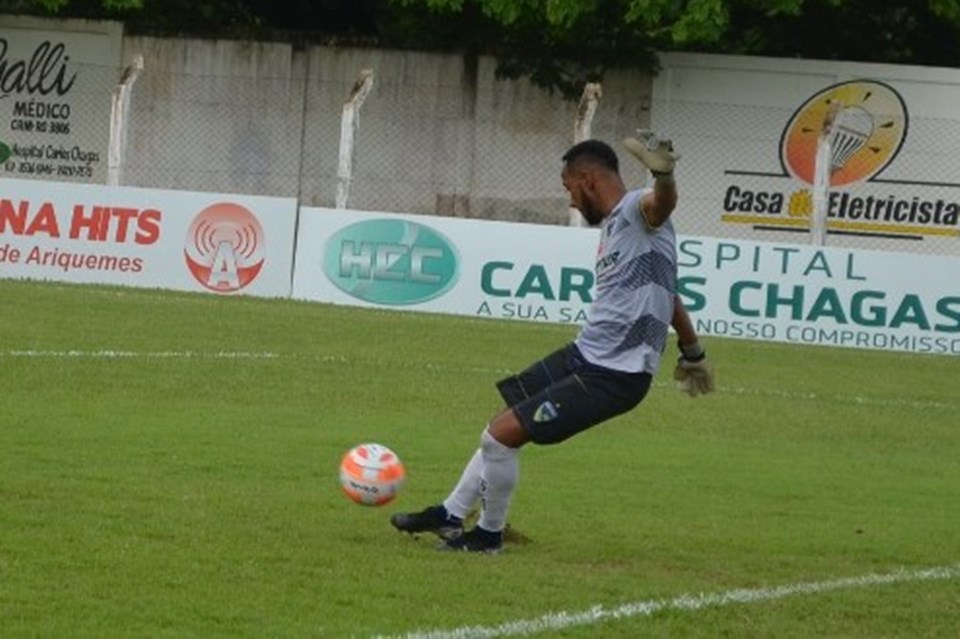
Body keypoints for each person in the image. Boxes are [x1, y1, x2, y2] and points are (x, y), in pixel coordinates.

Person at [390, 132, 712, 553]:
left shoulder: (637, 209)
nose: (572, 202)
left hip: (614, 374)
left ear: (588, 179)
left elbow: (662, 202)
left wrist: (663, 174)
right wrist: (693, 351)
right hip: (586, 353)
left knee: (500, 436)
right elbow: (667, 294)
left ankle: (487, 536)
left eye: (569, 189)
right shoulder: (618, 227)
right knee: (501, 422)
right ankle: (451, 514)